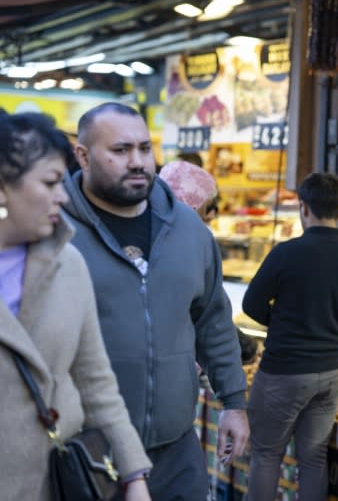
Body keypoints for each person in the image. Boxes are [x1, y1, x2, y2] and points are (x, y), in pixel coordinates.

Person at [62, 102, 249, 500]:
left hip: (175, 451)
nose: (137, 162)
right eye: (120, 150)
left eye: (145, 149)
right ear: (83, 155)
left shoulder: (188, 230)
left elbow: (213, 321)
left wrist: (233, 402)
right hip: (85, 452)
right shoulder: (55, 230)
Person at [0, 110, 152, 500]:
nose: (63, 195)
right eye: (50, 182)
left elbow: (96, 382)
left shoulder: (68, 266)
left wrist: (134, 476)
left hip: (56, 483)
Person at [242, 172, 338, 501]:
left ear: (303, 208)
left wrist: (285, 324)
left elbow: (251, 304)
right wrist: (326, 329)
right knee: (313, 458)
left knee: (266, 454)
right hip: (330, 373)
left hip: (283, 371)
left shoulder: (286, 253)